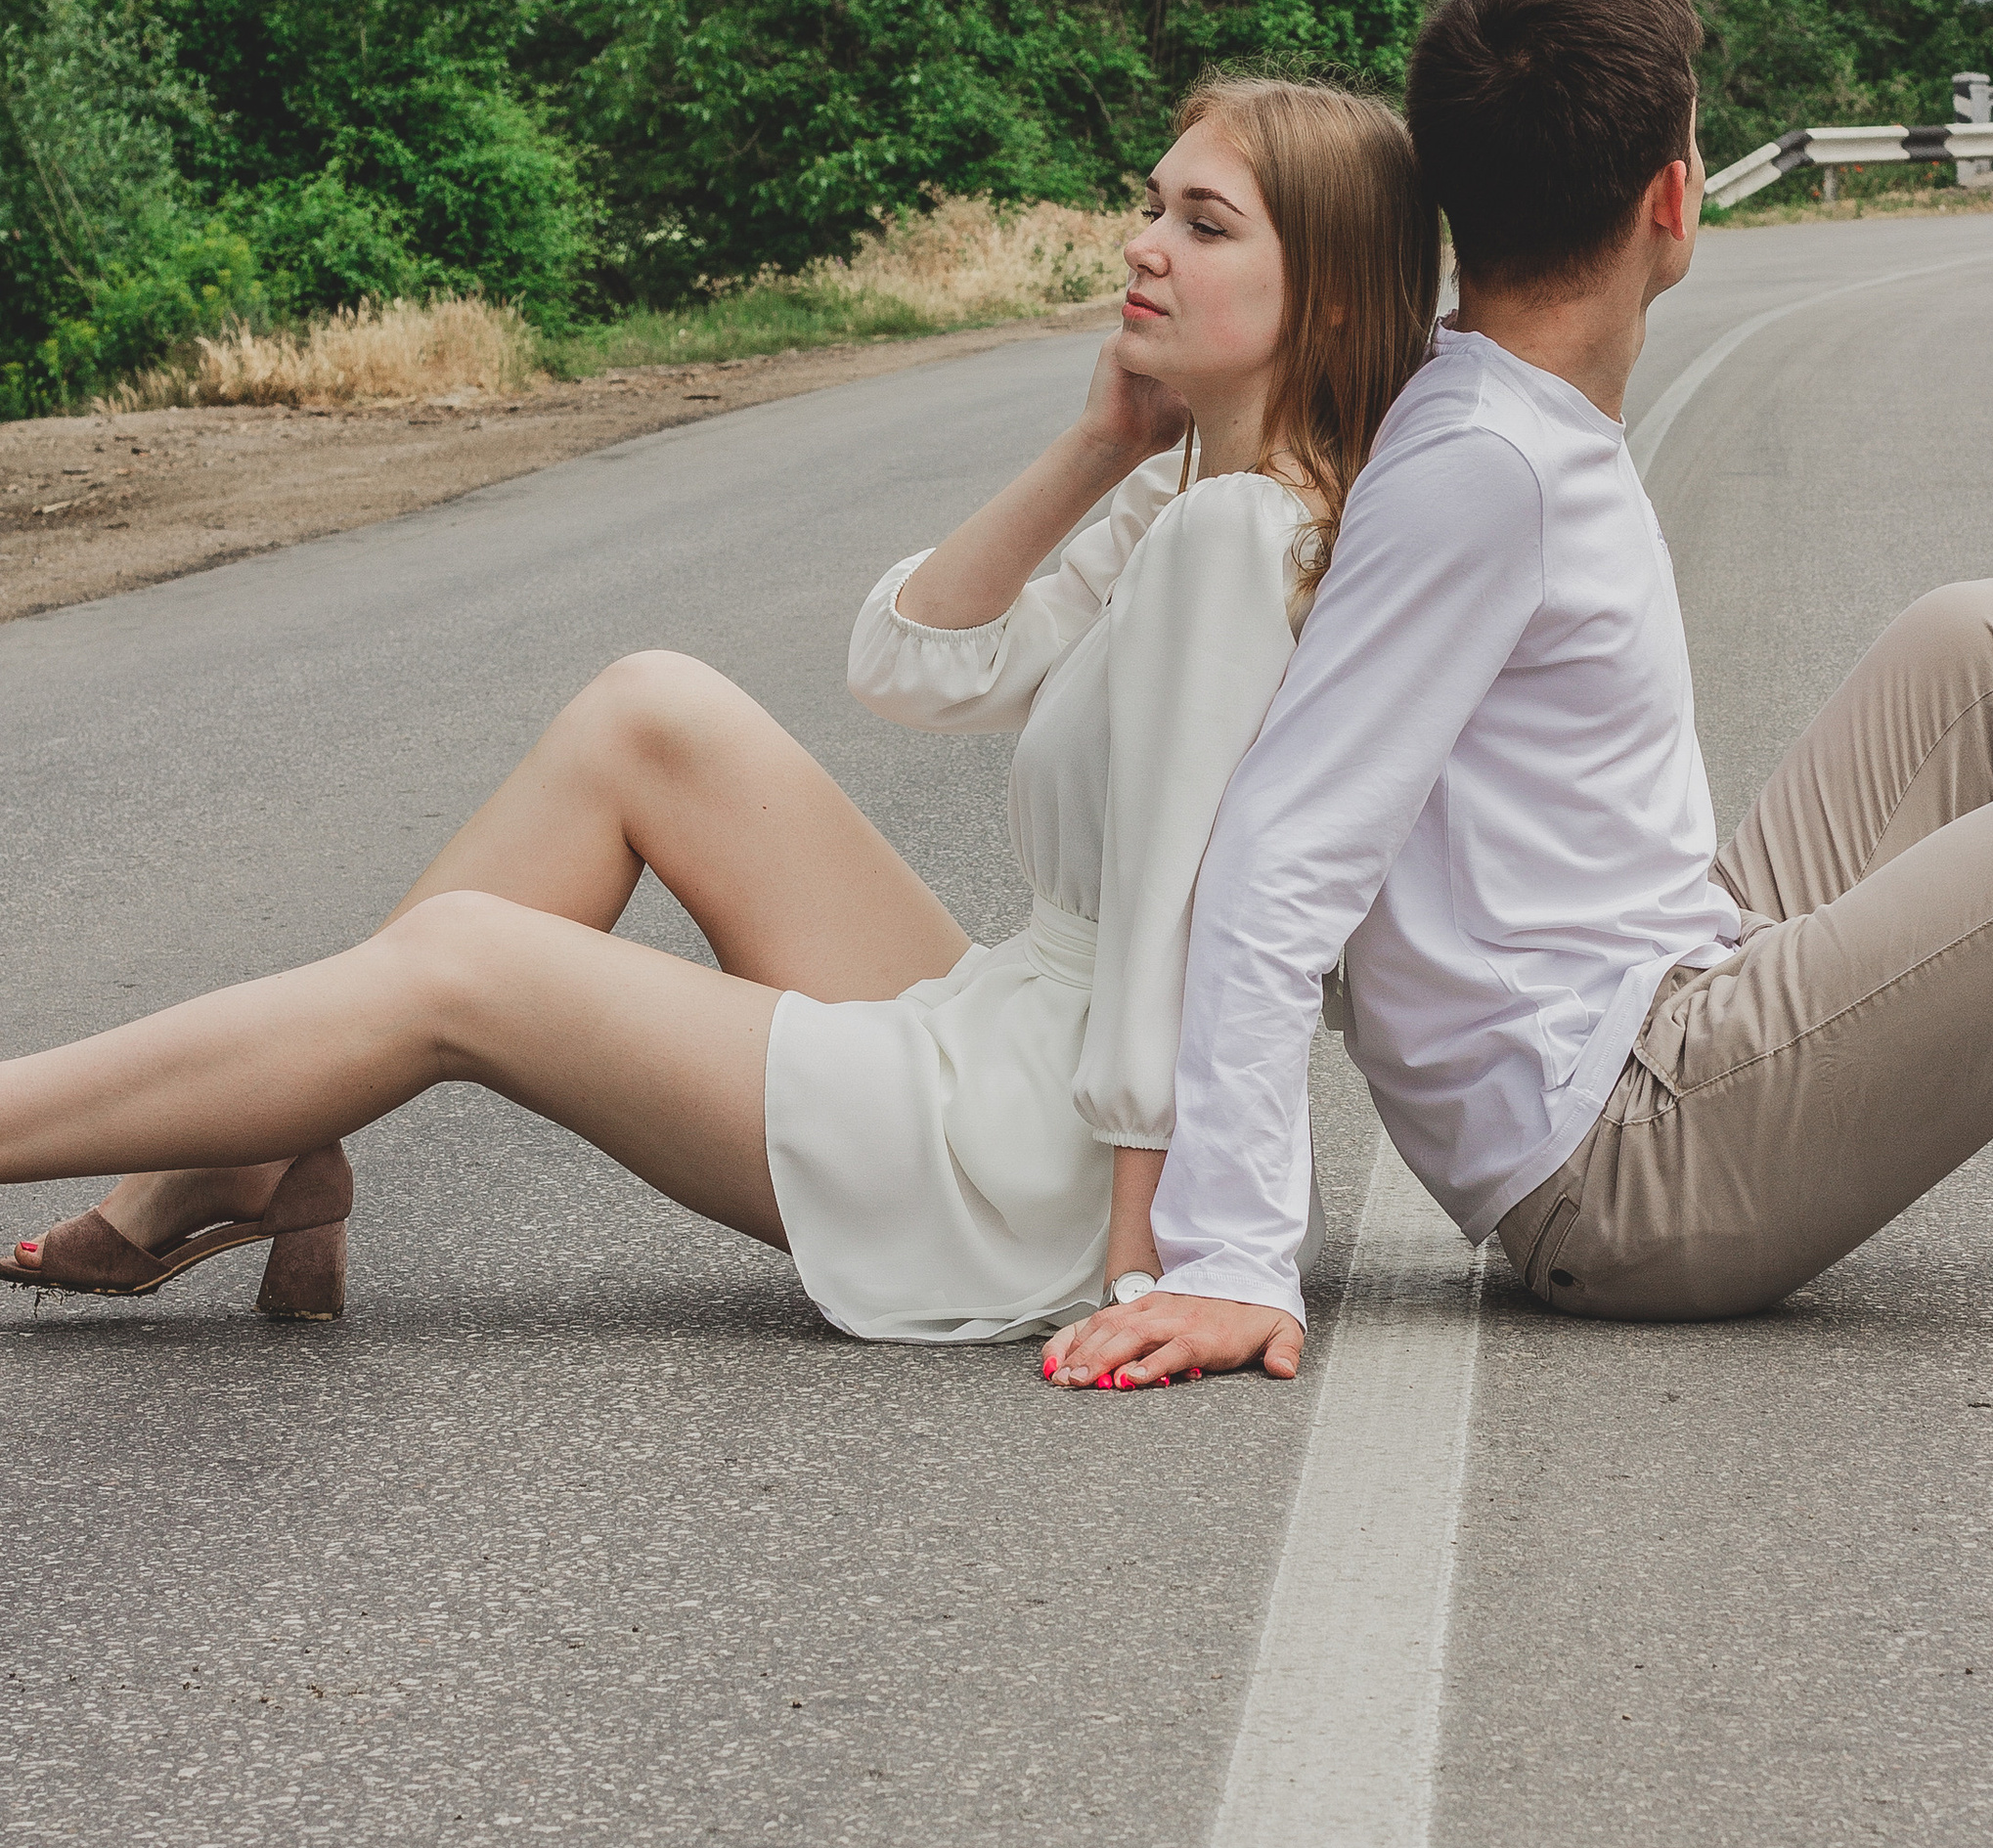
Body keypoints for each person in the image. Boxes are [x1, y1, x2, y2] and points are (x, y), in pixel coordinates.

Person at [1047, 0, 1993, 1393]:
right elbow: (1278, 856)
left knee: (1989, 647)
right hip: (1623, 1160)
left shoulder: (1493, 407)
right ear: (1673, 200)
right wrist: (1230, 1253)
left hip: (1672, 993)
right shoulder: (1486, 466)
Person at [2, 79, 1439, 1343]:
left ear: (1324, 299)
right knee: (653, 711)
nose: (1144, 244)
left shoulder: (1233, 540)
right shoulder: (1187, 493)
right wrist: (1099, 442)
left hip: (1043, 1162)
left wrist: (1137, 1256)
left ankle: (218, 1133)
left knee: (464, 964)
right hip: (1021, 1037)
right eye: (1152, 206)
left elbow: (1183, 926)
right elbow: (912, 666)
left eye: (1205, 225)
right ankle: (257, 1141)